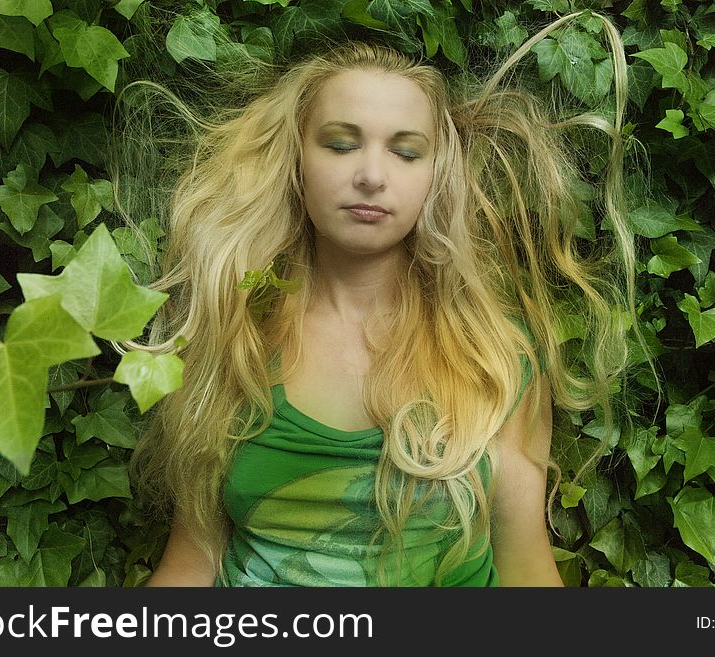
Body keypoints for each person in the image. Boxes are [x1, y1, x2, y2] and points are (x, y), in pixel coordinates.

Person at [120, 10, 641, 587]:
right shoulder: (231, 334)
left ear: (436, 174)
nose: (371, 174)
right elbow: (193, 562)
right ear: (296, 160)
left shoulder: (494, 355)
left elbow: (525, 565)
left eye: (406, 152)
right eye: (341, 145)